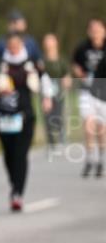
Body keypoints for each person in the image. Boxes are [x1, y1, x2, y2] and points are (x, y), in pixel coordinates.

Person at [0, 32, 52, 210]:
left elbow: (45, 81)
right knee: (9, 155)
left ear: (22, 45)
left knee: (20, 154)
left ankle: (17, 193)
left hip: (25, 116)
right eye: (10, 46)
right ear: (7, 46)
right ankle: (14, 183)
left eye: (16, 45)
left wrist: (46, 98)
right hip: (3, 117)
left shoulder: (31, 63)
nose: (13, 49)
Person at [71, 18, 106, 178]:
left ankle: (101, 160)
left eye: (98, 29)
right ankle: (90, 158)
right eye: (92, 29)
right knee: (88, 124)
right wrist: (79, 73)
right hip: (87, 91)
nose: (95, 32)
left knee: (102, 127)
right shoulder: (82, 48)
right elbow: (75, 64)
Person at [41, 33, 71, 153]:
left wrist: (66, 80)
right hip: (45, 92)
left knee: (58, 115)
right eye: (47, 42)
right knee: (47, 116)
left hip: (58, 91)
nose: (49, 44)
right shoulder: (42, 61)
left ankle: (61, 137)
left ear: (56, 43)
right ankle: (51, 142)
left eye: (51, 41)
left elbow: (67, 74)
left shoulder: (61, 60)